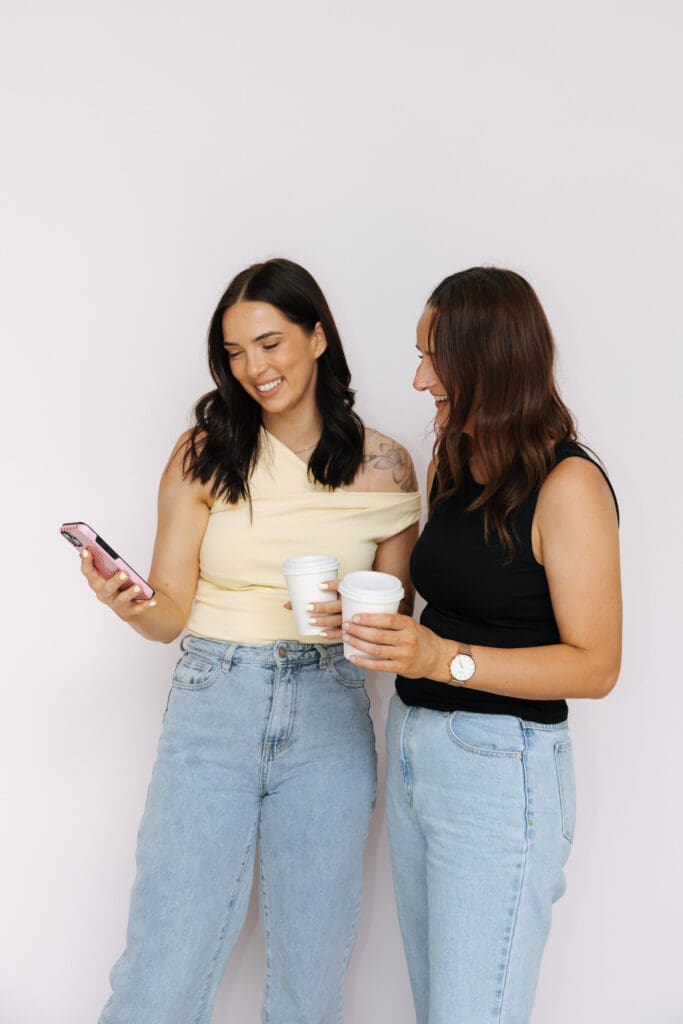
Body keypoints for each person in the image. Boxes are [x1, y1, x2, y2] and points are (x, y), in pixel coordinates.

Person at [81, 258, 420, 1024]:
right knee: (164, 958)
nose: (253, 369)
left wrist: (359, 626)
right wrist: (126, 604)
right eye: (234, 353)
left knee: (312, 966)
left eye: (269, 343)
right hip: (214, 700)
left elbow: (400, 627)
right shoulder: (204, 452)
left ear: (318, 337)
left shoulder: (387, 467)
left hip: (330, 713)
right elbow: (169, 611)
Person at [342, 267, 622, 1024]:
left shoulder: (569, 487)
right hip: (415, 748)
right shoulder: (454, 463)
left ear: (486, 362)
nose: (417, 375)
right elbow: (445, 601)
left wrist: (443, 658)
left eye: (434, 356)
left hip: (501, 771)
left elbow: (595, 665)